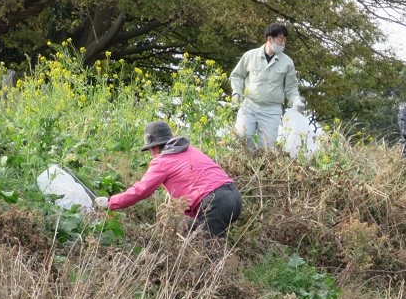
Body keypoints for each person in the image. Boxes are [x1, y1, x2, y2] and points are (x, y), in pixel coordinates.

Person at [94, 121, 243, 237]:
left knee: (208, 254)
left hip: (214, 202)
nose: (151, 154)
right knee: (186, 226)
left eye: (150, 149)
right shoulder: (188, 149)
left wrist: (110, 202)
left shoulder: (163, 161)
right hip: (234, 197)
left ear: (155, 146)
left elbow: (141, 190)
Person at [230, 22, 303, 151]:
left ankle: (259, 165)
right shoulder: (250, 56)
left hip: (272, 110)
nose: (283, 43)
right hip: (249, 105)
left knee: (267, 149)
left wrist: (295, 100)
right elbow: (237, 75)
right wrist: (237, 92)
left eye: (285, 40)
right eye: (281, 39)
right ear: (270, 39)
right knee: (241, 136)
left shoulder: (287, 62)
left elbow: (291, 87)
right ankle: (248, 161)